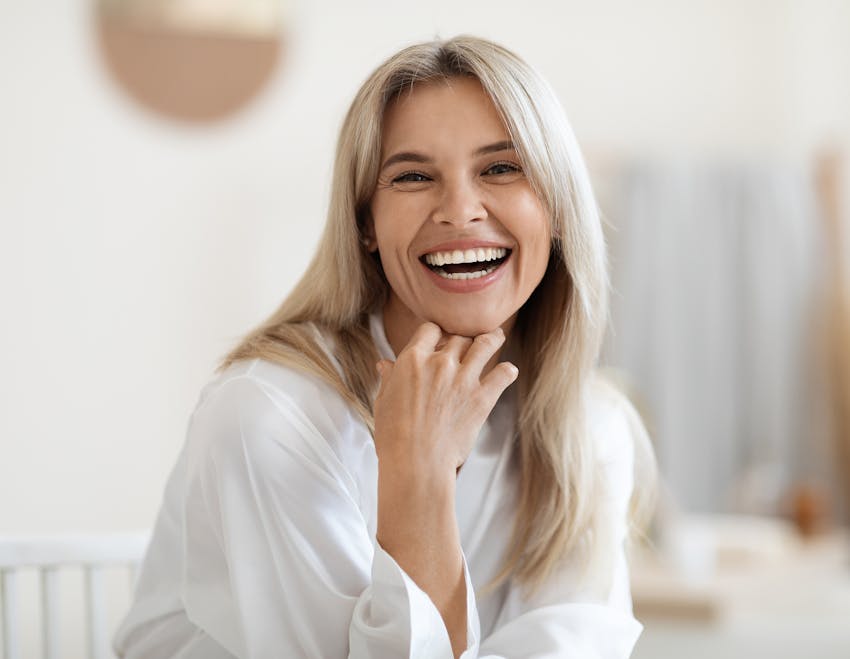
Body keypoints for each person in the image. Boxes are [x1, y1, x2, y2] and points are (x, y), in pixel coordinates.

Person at [114, 35, 656, 658]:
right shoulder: (267, 418)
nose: (460, 210)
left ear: (557, 208)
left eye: (502, 168)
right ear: (365, 223)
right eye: (413, 176)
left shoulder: (588, 428)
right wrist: (417, 478)